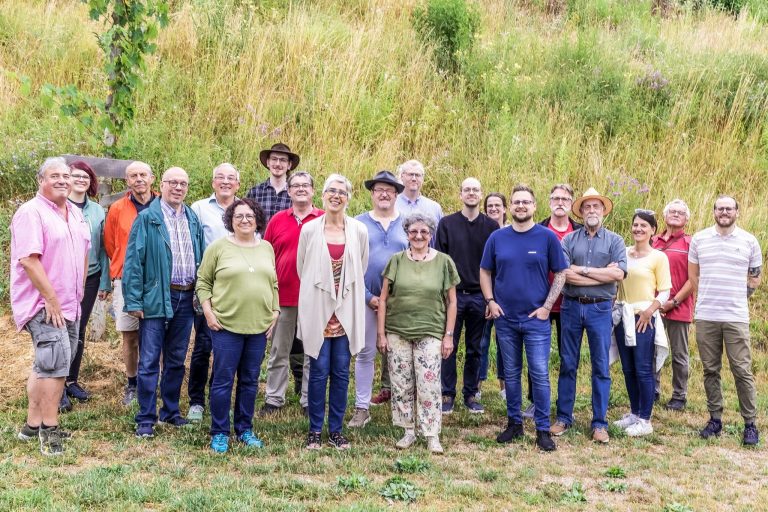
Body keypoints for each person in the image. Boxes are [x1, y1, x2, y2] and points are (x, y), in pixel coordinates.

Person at [11, 157, 91, 455]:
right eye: (54, 175)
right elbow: (29, 260)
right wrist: (52, 298)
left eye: (66, 175)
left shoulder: (73, 212)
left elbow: (84, 250)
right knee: (56, 366)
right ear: (40, 180)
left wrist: (79, 287)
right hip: (45, 305)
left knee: (47, 363)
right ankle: (49, 429)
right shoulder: (31, 213)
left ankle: (31, 425)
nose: (62, 180)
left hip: (70, 303)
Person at [480, 185, 567, 451]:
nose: (520, 206)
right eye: (516, 202)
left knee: (539, 374)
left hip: (536, 321)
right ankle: (514, 424)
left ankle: (542, 429)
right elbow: (485, 271)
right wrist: (491, 301)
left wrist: (546, 307)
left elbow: (561, 273)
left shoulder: (547, 238)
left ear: (534, 206)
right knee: (512, 373)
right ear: (511, 207)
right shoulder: (497, 237)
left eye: (525, 202)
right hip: (505, 319)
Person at [122, 167, 205, 438]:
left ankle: (170, 411)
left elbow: (201, 256)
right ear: (162, 184)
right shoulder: (148, 218)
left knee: (176, 359)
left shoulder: (192, 217)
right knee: (148, 360)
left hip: (186, 295)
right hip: (158, 296)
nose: (178, 188)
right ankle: (146, 417)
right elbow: (134, 261)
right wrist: (134, 299)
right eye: (173, 182)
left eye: (183, 183)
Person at [196, 198, 279, 453]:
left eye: (250, 215)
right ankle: (220, 431)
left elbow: (273, 283)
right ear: (230, 220)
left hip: (258, 327)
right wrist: (208, 313)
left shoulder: (266, 247)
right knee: (223, 380)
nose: (245, 220)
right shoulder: (218, 247)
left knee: (250, 380)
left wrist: (275, 312)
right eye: (239, 216)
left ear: (257, 219)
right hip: (226, 326)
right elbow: (203, 282)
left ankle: (245, 428)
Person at [377, 212, 459, 454]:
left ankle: (432, 433)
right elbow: (383, 299)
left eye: (424, 231)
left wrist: (449, 335)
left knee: (429, 384)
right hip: (397, 331)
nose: (419, 236)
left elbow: (452, 302)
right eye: (413, 231)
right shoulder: (396, 260)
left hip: (431, 331)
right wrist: (381, 334)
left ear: (431, 234)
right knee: (401, 383)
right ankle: (408, 431)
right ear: (407, 234)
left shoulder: (444, 262)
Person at [297, 174, 368, 450]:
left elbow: (360, 269)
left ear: (348, 198)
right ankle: (315, 430)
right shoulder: (310, 230)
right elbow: (302, 268)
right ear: (323, 195)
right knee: (318, 370)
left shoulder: (358, 230)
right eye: (331, 191)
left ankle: (336, 430)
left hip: (346, 310)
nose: (336, 196)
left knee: (340, 371)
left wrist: (341, 295)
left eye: (341, 192)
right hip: (319, 308)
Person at [552, 188, 626, 444]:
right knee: (568, 362)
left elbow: (618, 275)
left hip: (600, 308)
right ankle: (563, 418)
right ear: (581, 212)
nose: (592, 211)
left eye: (597, 207)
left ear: (603, 211)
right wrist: (599, 272)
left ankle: (599, 423)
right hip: (571, 306)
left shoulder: (615, 241)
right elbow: (563, 273)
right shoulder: (568, 240)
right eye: (587, 207)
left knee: (600, 366)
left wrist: (580, 269)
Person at [689, 195, 762, 446]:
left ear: (737, 212)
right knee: (710, 369)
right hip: (707, 315)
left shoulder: (749, 241)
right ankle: (715, 419)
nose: (724, 212)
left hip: (735, 317)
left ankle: (750, 424)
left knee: (742, 370)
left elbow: (754, 278)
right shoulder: (699, 239)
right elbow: (693, 276)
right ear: (714, 212)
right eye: (720, 208)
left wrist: (736, 297)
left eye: (729, 208)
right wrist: (710, 296)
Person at [260, 171, 324, 416]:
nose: (300, 189)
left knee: (311, 352)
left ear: (313, 190)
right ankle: (274, 398)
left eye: (305, 185)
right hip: (283, 297)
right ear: (288, 192)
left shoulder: (323, 219)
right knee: (279, 350)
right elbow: (266, 255)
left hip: (314, 298)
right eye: (295, 185)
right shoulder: (277, 219)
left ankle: (309, 399)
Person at [349, 170, 408, 428]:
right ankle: (362, 408)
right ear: (372, 194)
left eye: (390, 190)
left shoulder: (407, 224)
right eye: (379, 190)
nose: (384, 194)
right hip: (367, 299)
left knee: (401, 355)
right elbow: (350, 265)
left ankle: (403, 408)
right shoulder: (357, 223)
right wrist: (368, 296)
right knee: (365, 353)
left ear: (396, 194)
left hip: (399, 302)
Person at [435, 178, 498, 414]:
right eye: (467, 190)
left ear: (481, 195)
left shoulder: (491, 227)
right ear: (460, 194)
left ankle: (470, 394)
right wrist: (442, 296)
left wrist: (490, 298)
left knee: (475, 348)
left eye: (475, 190)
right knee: (448, 346)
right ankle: (447, 394)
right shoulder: (447, 224)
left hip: (479, 297)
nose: (471, 193)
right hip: (453, 296)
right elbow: (439, 263)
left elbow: (495, 266)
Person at [186, 163, 240, 422]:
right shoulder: (198, 208)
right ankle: (196, 400)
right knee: (204, 345)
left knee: (228, 348)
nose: (226, 182)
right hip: (207, 286)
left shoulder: (244, 209)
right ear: (213, 182)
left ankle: (219, 398)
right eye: (220, 177)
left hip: (236, 290)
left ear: (238, 184)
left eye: (231, 178)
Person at [612, 210, 671, 437]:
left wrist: (649, 311)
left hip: (643, 318)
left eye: (643, 226)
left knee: (643, 368)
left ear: (653, 230)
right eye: (635, 225)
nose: (638, 229)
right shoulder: (622, 252)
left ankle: (645, 420)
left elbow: (665, 290)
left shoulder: (658, 257)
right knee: (628, 369)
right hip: (622, 314)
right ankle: (635, 413)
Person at [104, 161, 156, 406]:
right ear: (127, 181)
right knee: (130, 335)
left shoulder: (162, 205)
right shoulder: (117, 208)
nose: (139, 179)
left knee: (157, 333)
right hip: (126, 279)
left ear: (152, 179)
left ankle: (155, 380)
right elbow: (111, 244)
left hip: (156, 280)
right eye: (133, 175)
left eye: (143, 174)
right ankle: (132, 383)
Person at [60, 160, 112, 411]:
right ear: (67, 179)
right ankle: (55, 384)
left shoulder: (97, 211)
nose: (81, 180)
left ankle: (71, 380)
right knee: (60, 331)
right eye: (76, 175)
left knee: (78, 330)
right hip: (63, 279)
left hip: (90, 277)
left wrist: (104, 281)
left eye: (86, 176)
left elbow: (103, 249)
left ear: (91, 182)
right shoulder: (58, 207)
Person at [652, 199, 694, 411]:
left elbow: (694, 279)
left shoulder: (690, 243)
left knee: (679, 354)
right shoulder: (654, 241)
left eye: (680, 212)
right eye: (672, 211)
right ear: (665, 216)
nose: (676, 214)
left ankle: (679, 395)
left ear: (687, 219)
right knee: (652, 349)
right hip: (653, 305)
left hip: (679, 305)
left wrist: (674, 301)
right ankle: (653, 389)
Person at [478, 192, 507, 401]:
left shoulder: (511, 231)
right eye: (489, 206)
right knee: (481, 341)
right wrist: (487, 297)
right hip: (484, 294)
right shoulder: (482, 231)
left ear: (505, 209)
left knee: (505, 342)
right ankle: (477, 385)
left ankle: (505, 386)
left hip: (506, 295)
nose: (494, 209)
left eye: (498, 205)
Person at [246, 143, 300, 222]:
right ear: (268, 162)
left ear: (289, 165)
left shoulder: (296, 193)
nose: (278, 164)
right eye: (274, 159)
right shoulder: (255, 192)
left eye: (283, 160)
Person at [395, 160, 443, 225]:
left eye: (417, 175)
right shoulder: (392, 204)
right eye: (410, 174)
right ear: (402, 176)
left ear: (422, 179)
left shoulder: (435, 208)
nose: (414, 178)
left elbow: (440, 234)